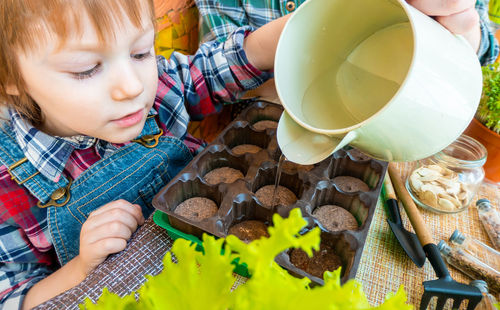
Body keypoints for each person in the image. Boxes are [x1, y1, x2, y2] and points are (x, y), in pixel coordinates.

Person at [0, 0, 289, 308]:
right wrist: (81, 266)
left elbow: (215, 68)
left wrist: (286, 34)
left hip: (223, 268)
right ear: (11, 79)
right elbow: (14, 296)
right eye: (86, 69)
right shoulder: (9, 183)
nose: (131, 86)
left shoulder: (159, 89)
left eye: (140, 52)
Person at [195, 0, 499, 66]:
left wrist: (459, 26)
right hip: (271, 127)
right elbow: (219, 72)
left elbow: (483, 48)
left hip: (406, 128)